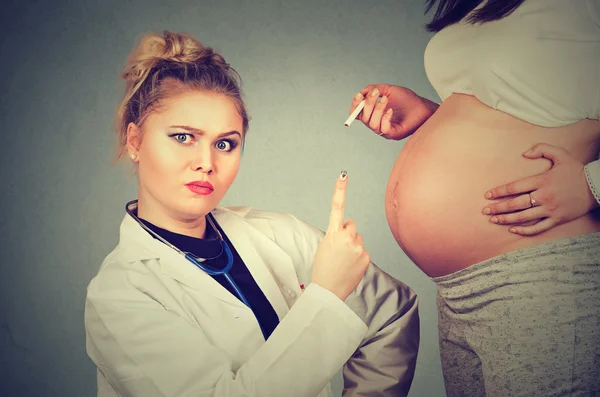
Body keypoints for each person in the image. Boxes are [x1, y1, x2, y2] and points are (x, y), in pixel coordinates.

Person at [84, 31, 420, 397]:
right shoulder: (119, 294)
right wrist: (326, 295)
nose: (206, 163)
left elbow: (392, 311)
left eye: (225, 144)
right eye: (183, 137)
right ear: (135, 141)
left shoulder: (277, 233)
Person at [348, 0, 600, 395]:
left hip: (541, 274)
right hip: (457, 294)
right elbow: (519, 108)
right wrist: (433, 114)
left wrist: (591, 184)